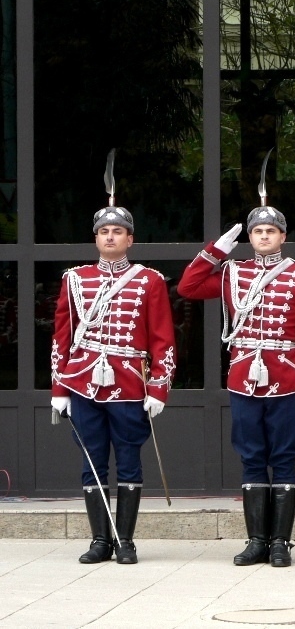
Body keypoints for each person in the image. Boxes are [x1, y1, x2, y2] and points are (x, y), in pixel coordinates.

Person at [177, 204, 295, 568]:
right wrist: (216, 249)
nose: (263, 236)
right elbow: (188, 286)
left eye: (270, 231)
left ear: (282, 237)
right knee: (251, 457)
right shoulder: (232, 273)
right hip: (244, 376)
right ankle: (257, 540)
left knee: (284, 458)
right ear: (250, 237)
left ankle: (280, 543)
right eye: (257, 232)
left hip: (287, 375)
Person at [50, 204, 176, 565]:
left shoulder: (148, 280)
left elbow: (162, 339)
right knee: (92, 462)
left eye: (117, 231)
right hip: (83, 381)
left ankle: (126, 542)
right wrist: (59, 390)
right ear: (96, 238)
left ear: (130, 239)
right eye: (104, 231)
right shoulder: (74, 279)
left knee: (129, 460)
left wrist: (159, 387)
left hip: (129, 383)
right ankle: (99, 541)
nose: (110, 236)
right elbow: (62, 338)